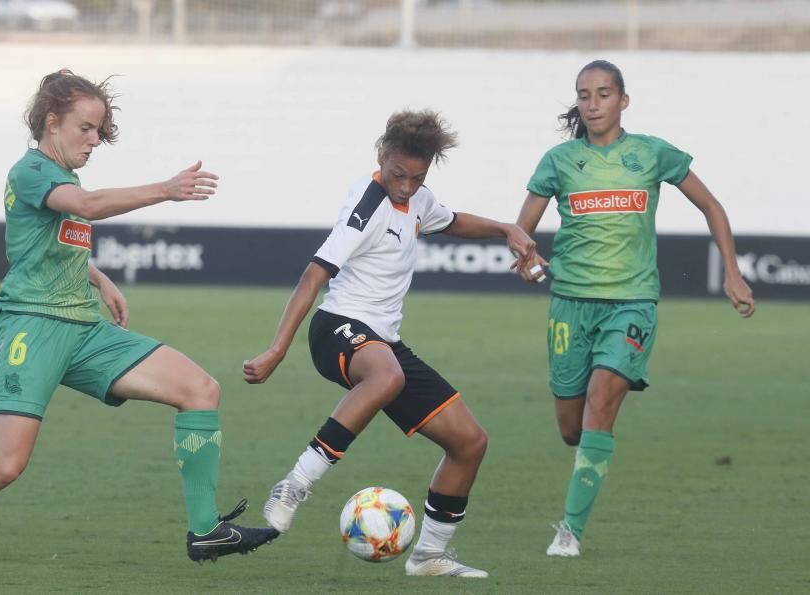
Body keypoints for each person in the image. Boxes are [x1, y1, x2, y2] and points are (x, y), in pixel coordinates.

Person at [0, 69, 278, 574]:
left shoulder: (63, 176)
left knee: (200, 389)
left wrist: (99, 279)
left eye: (99, 132)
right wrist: (166, 189)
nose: (95, 141)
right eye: (86, 128)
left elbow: (48, 243)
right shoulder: (31, 172)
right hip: (30, 327)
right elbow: (88, 208)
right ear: (52, 122)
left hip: (84, 328)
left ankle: (205, 531)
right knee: (5, 465)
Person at [243, 109, 537, 579]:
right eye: (398, 174)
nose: (404, 186)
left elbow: (453, 220)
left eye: (416, 178)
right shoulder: (368, 202)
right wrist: (278, 348)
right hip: (336, 327)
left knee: (469, 442)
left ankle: (429, 555)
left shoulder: (418, 199)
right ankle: (293, 485)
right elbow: (313, 275)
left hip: (382, 342)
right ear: (382, 156)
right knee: (387, 374)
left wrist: (507, 228)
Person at [513, 60, 756, 557]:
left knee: (601, 403)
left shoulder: (651, 154)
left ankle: (569, 532)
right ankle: (589, 456)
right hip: (570, 305)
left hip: (632, 303)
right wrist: (526, 256)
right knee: (571, 429)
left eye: (604, 93)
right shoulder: (559, 161)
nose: (594, 103)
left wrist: (731, 270)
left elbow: (712, 205)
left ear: (624, 101)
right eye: (585, 95)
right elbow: (522, 233)